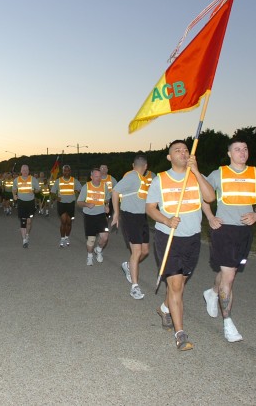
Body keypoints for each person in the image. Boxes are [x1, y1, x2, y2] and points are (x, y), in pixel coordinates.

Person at [146, 140, 215, 351]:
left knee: (180, 284)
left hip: (192, 239)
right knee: (176, 286)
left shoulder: (195, 176)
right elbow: (150, 208)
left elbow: (210, 197)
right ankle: (180, 334)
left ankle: (165, 307)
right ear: (169, 157)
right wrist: (166, 220)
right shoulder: (161, 179)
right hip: (168, 237)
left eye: (186, 150)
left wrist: (196, 170)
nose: (183, 153)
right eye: (178, 150)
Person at [201, 139, 256, 342]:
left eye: (245, 149)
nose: (242, 152)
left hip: (245, 232)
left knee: (228, 274)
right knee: (229, 277)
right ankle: (228, 322)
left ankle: (212, 292)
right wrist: (210, 217)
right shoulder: (218, 174)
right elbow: (204, 197)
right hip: (224, 230)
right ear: (229, 154)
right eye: (237, 149)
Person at [111, 155, 151, 300]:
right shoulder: (132, 176)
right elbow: (115, 191)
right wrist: (116, 213)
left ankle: (128, 265)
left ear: (133, 164)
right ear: (145, 166)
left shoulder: (144, 180)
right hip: (130, 217)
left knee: (145, 251)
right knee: (137, 251)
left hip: (142, 217)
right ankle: (135, 287)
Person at [77, 168, 110, 265]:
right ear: (91, 177)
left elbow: (107, 199)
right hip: (89, 216)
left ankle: (98, 250)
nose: (98, 178)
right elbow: (79, 202)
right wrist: (87, 204)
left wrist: (106, 205)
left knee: (105, 237)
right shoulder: (86, 187)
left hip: (101, 215)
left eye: (100, 176)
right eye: (96, 176)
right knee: (91, 239)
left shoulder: (104, 186)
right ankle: (90, 256)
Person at [51, 165, 82, 247]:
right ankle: (62, 239)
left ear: (70, 171)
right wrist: (56, 197)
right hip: (61, 204)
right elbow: (53, 192)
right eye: (65, 171)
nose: (66, 172)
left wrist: (79, 192)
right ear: (63, 171)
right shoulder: (58, 181)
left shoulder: (74, 181)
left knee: (69, 222)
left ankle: (67, 237)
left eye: (68, 171)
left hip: (71, 203)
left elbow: (81, 189)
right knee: (63, 221)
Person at [13, 165, 41, 248]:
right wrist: (14, 195)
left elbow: (38, 189)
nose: (25, 171)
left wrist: (34, 191)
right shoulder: (16, 180)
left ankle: (27, 234)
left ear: (29, 171)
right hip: (21, 202)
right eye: (23, 170)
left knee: (29, 221)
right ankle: (24, 240)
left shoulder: (33, 179)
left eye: (26, 170)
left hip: (30, 203)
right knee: (23, 221)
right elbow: (14, 189)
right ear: (21, 171)